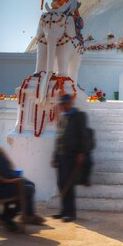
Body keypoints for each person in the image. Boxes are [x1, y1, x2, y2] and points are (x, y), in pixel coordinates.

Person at [0, 130, 45, 231]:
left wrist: (14, 176)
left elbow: (9, 166)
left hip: (8, 181)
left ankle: (20, 215)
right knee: (28, 189)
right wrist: (9, 180)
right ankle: (10, 216)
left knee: (30, 185)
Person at [52, 94, 86, 222]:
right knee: (61, 183)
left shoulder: (79, 116)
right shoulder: (63, 118)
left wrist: (81, 152)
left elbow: (82, 135)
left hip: (71, 156)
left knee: (69, 184)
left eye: (64, 104)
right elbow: (58, 137)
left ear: (69, 103)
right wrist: (55, 156)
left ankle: (71, 213)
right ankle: (63, 210)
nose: (62, 106)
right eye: (61, 104)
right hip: (61, 155)